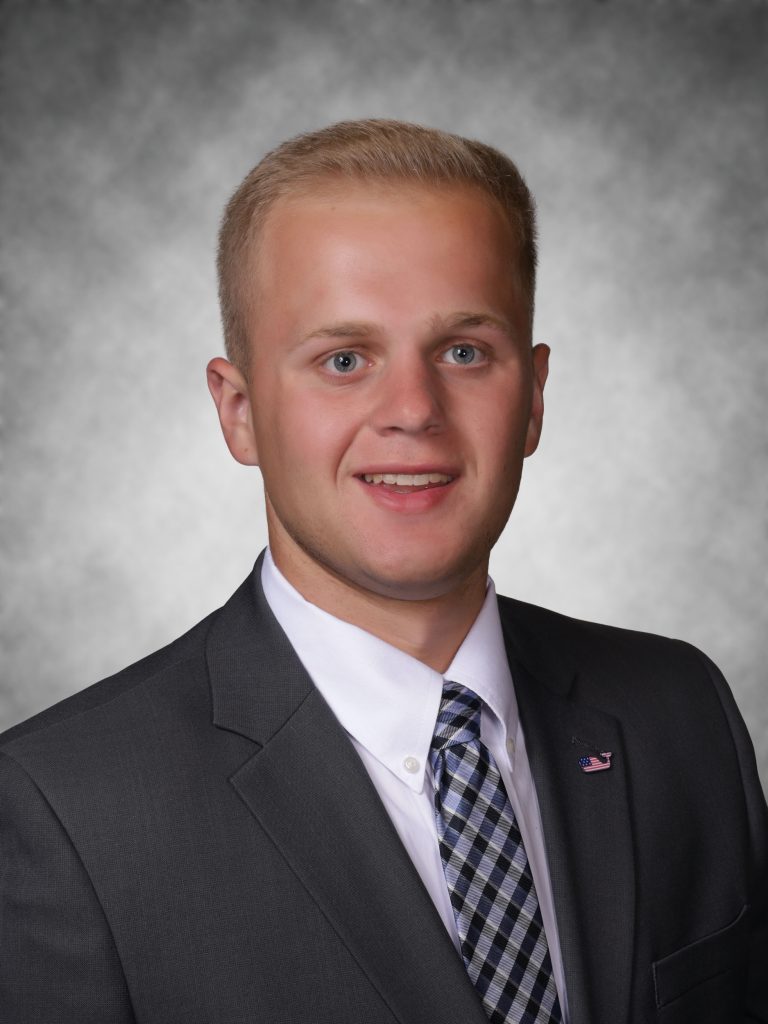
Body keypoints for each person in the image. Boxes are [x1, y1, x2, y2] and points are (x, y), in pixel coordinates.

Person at [1, 119, 765, 1024]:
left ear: (534, 399)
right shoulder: (66, 808)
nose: (412, 410)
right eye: (345, 359)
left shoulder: (678, 710)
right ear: (240, 412)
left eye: (464, 352)